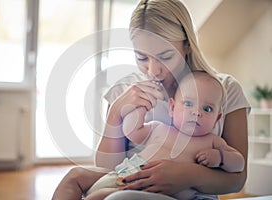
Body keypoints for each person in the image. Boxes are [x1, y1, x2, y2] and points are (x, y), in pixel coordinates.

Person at [53, 0, 250, 199]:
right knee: (74, 177)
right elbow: (108, 169)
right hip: (129, 177)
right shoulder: (126, 89)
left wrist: (187, 175)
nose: (152, 70)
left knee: (119, 198)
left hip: (190, 194)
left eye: (165, 57)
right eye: (141, 58)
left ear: (187, 46)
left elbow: (237, 180)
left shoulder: (225, 89)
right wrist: (115, 112)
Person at [53, 71, 245, 200]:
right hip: (128, 173)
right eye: (188, 104)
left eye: (207, 108)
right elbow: (132, 132)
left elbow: (239, 164)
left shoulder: (212, 142)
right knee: (74, 176)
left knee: (99, 196)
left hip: (161, 191)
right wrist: (139, 112)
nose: (196, 112)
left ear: (217, 117)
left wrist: (220, 157)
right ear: (171, 107)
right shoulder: (159, 129)